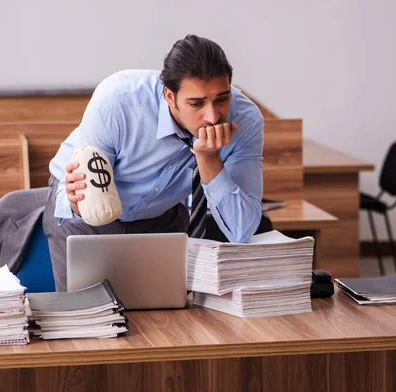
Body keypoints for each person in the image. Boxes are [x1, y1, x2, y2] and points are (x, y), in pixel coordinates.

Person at [44, 35, 264, 291]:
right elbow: (91, 201)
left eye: (222, 99)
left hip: (161, 214)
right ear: (169, 96)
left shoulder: (246, 121)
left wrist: (208, 158)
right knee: (88, 317)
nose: (212, 116)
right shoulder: (118, 102)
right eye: (196, 103)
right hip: (86, 216)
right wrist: (77, 204)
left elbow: (242, 230)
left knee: (168, 318)